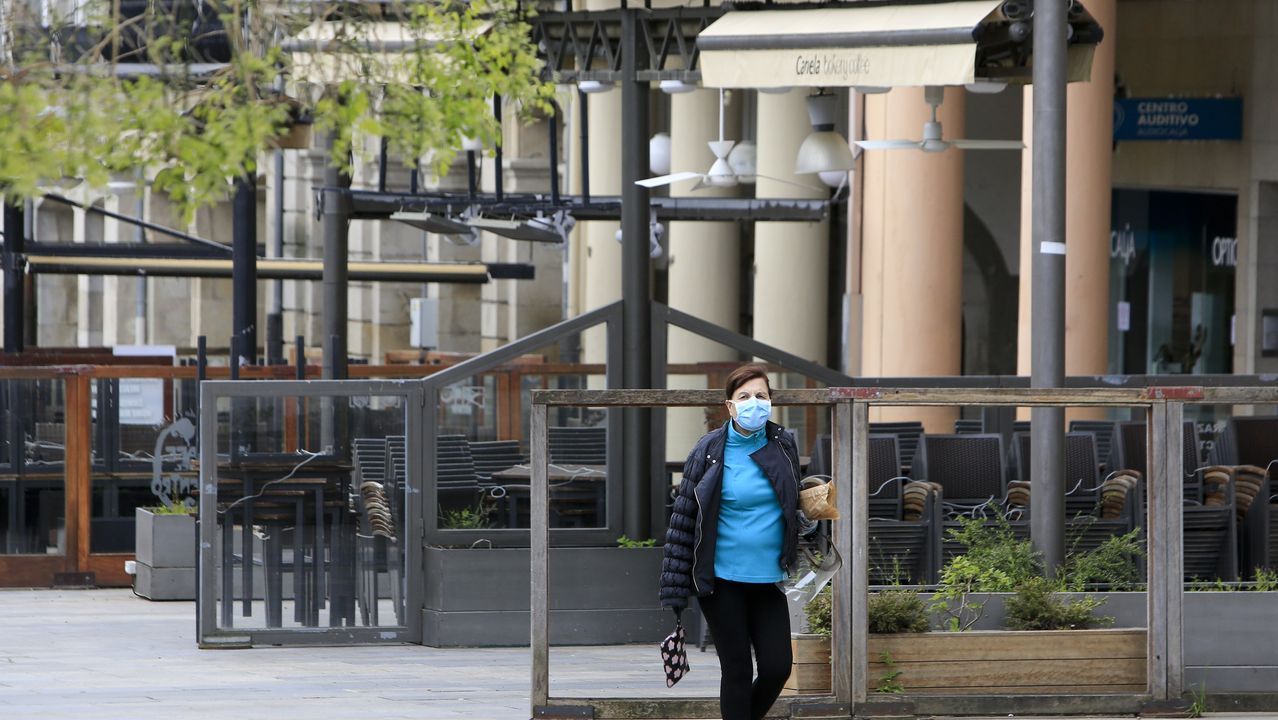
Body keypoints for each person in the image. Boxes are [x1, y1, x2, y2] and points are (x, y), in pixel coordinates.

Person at [659, 363, 801, 720]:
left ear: (771, 401)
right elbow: (683, 519)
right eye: (745, 396)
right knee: (737, 671)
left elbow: (790, 502)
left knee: (777, 667)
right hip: (721, 580)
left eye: (761, 396)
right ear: (730, 405)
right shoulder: (709, 450)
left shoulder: (783, 444)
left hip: (768, 578)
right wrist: (675, 588)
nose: (754, 403)